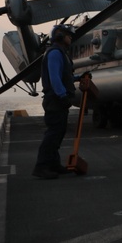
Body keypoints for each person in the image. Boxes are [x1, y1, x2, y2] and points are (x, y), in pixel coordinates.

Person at [33, 24, 80, 179]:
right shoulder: (54, 53)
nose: (70, 37)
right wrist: (62, 96)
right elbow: (54, 78)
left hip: (58, 100)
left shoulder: (61, 53)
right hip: (55, 100)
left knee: (58, 133)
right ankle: (41, 167)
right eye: (68, 35)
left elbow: (64, 76)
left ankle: (53, 164)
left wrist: (79, 78)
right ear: (60, 36)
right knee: (53, 134)